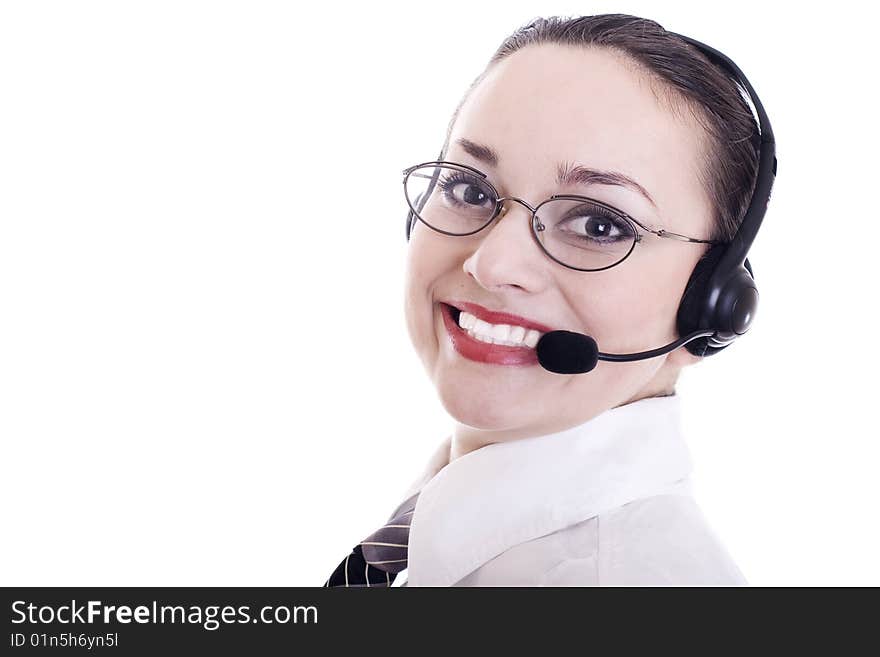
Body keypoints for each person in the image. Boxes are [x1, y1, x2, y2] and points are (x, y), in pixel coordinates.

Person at [325, 13, 769, 586]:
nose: (491, 263)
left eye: (598, 225)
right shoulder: (446, 526)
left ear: (709, 306)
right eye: (469, 188)